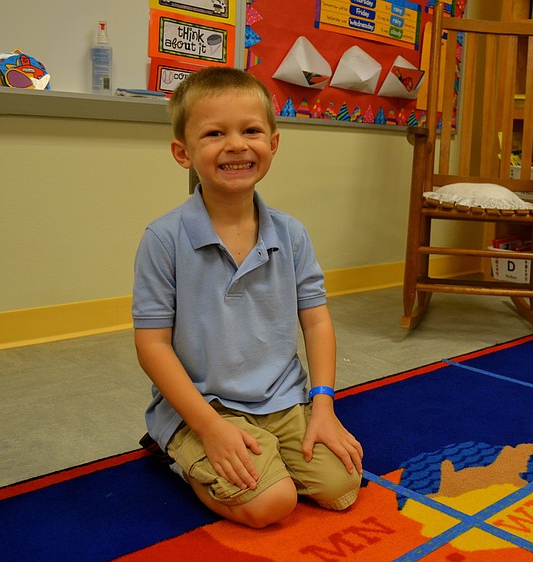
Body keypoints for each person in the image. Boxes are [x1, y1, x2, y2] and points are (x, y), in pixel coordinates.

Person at [132, 67, 363, 528]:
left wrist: (323, 408)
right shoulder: (163, 238)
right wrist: (211, 428)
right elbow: (152, 344)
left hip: (281, 399)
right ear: (184, 153)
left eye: (251, 130)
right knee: (271, 505)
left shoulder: (292, 234)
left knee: (341, 488)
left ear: (273, 143)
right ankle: (176, 450)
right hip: (204, 406)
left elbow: (317, 322)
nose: (236, 145)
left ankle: (261, 457)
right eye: (215, 133)